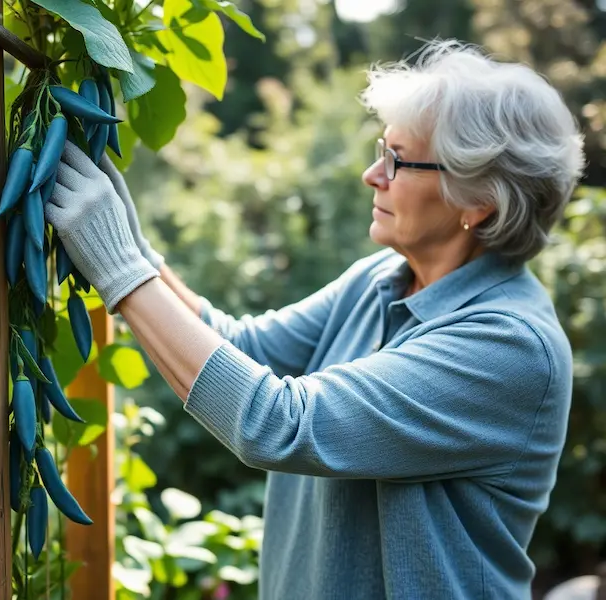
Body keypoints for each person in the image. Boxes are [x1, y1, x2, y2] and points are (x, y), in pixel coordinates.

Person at [43, 39, 586, 599]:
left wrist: (124, 273)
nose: (373, 174)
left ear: (481, 200)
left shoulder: (508, 346)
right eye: (382, 148)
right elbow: (240, 345)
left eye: (399, 159)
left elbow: (279, 424)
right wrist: (140, 252)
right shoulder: (385, 275)